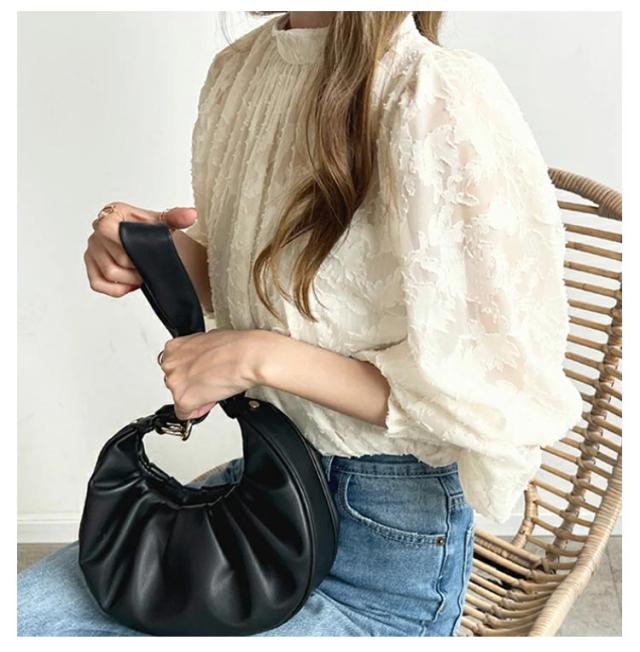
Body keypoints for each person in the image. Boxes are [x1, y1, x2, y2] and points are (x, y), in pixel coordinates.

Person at [18, 11, 583, 636]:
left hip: (384, 559)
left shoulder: (433, 90)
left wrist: (259, 357)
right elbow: (256, 288)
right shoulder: (240, 70)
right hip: (264, 488)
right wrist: (149, 252)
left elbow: (495, 397)